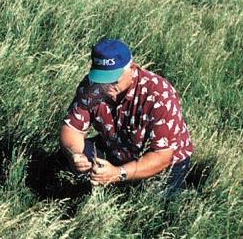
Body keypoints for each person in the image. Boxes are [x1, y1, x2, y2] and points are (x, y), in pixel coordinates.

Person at [60, 38, 193, 197]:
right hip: (116, 146)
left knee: (153, 202)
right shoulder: (91, 86)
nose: (106, 87)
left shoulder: (159, 94)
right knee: (65, 162)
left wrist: (118, 174)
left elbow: (162, 156)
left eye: (113, 80)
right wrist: (76, 155)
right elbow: (71, 128)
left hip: (163, 160)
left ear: (132, 68)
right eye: (101, 80)